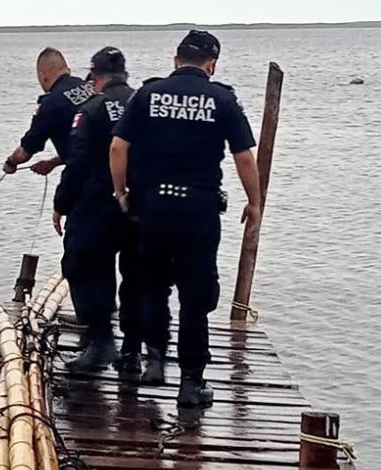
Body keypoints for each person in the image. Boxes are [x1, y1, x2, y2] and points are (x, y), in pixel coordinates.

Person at [109, 30, 262, 407]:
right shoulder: (223, 99)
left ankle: (155, 361)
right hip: (199, 210)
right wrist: (254, 202)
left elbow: (117, 146)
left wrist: (121, 191)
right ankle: (192, 383)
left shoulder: (147, 94)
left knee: (153, 286)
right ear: (211, 64)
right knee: (196, 297)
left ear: (176, 60)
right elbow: (244, 156)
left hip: (154, 208)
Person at [53, 47, 137, 372]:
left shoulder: (91, 109)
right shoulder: (142, 102)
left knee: (81, 266)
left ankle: (101, 341)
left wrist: (61, 204)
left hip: (97, 205)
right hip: (137, 203)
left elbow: (78, 162)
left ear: (96, 77)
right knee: (135, 275)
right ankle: (133, 352)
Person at [3, 48, 94, 176]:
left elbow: (25, 151)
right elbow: (88, 145)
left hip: (85, 175)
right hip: (114, 166)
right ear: (67, 70)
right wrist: (53, 163)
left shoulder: (51, 104)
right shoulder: (89, 87)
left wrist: (11, 163)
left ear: (42, 76)